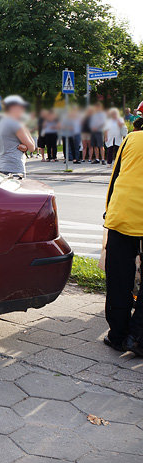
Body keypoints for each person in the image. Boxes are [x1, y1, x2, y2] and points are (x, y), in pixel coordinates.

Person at [103, 127, 143, 356]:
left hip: (123, 215)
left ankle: (118, 336)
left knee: (119, 277)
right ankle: (137, 337)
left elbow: (115, 177)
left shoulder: (131, 138)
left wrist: (109, 212)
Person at [0, 95, 36, 177]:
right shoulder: (16, 124)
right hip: (15, 168)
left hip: (2, 166)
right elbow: (32, 147)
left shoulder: (0, 123)